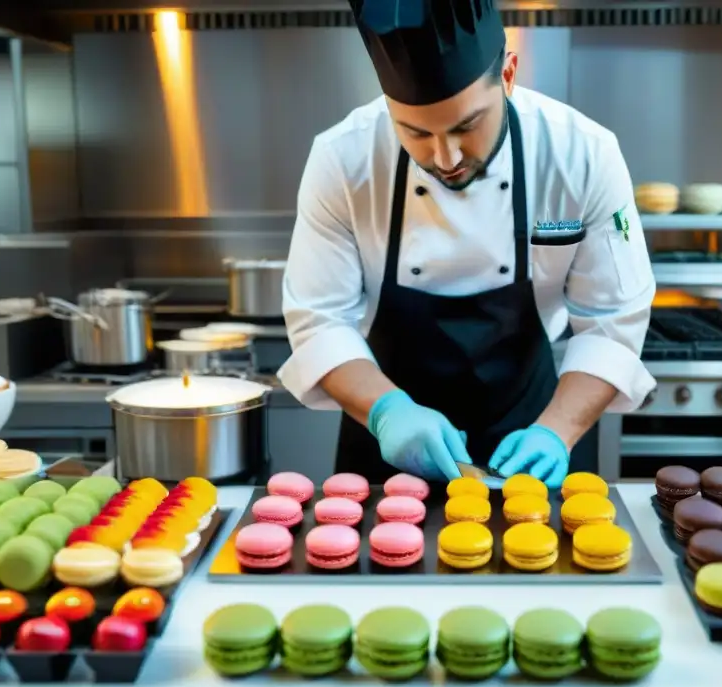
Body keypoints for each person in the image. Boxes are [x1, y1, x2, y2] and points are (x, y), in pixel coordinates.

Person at [278, 0, 656, 487]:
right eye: (414, 132)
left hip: (532, 434)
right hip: (388, 462)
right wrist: (387, 412)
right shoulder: (342, 159)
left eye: (466, 125)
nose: (445, 156)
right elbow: (319, 321)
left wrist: (557, 432)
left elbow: (612, 325)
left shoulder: (581, 154)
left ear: (509, 74)